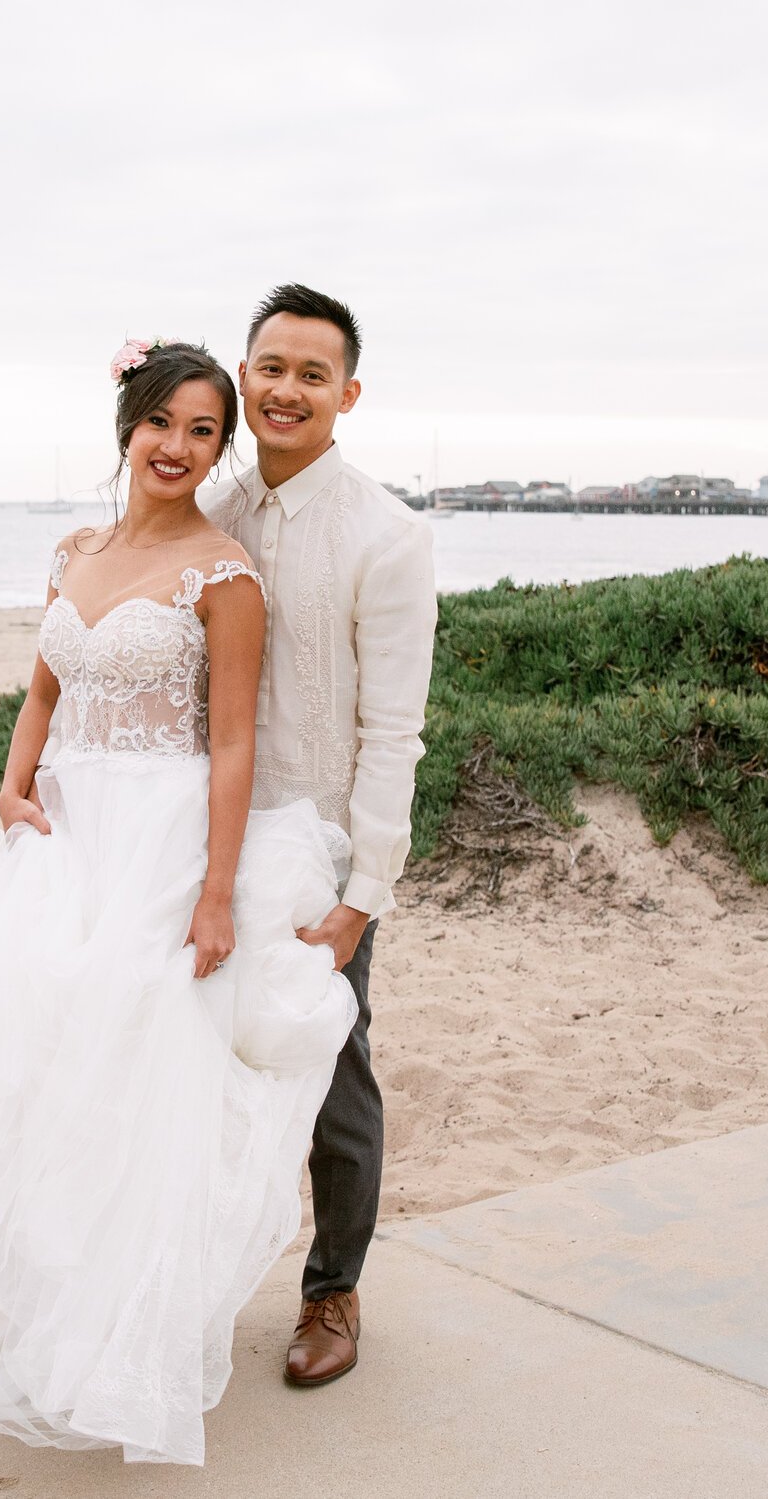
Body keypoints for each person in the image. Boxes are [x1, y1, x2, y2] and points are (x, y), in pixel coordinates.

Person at [0, 339, 361, 1466]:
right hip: (65, 850)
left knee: (135, 1093)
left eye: (203, 431)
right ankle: (42, 1332)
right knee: (41, 1084)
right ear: (126, 426)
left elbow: (229, 743)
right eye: (161, 421)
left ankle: (131, 1351)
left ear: (220, 448)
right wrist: (13, 775)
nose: (177, 445)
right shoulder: (74, 550)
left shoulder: (224, 575)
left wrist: (216, 893)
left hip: (161, 849)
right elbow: (44, 683)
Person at [207, 284, 439, 1388]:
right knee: (189, 1059)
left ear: (347, 394)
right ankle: (188, 1283)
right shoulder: (215, 514)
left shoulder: (385, 535)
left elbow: (395, 729)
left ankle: (332, 1289)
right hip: (203, 840)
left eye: (311, 372)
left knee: (333, 1070)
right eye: (269, 366)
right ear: (241, 376)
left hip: (320, 852)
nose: (285, 388)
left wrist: (366, 891)